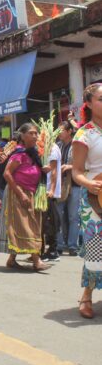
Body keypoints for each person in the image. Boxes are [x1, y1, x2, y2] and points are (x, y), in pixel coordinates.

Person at [0, 123, 50, 271]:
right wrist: (20, 194)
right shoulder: (18, 153)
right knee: (28, 226)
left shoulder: (33, 153)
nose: (34, 136)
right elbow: (7, 174)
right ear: (22, 136)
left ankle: (12, 260)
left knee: (27, 226)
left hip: (31, 193)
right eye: (31, 133)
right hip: (18, 192)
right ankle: (36, 260)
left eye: (36, 133)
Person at [71, 83, 102, 319]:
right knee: (96, 251)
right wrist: (88, 183)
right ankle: (87, 295)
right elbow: (77, 171)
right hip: (95, 199)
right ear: (89, 104)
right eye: (101, 99)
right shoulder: (84, 134)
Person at [56, 120, 80, 256]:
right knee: (59, 215)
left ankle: (72, 246)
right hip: (60, 184)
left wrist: (70, 167)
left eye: (62, 130)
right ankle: (59, 245)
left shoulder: (77, 145)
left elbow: (85, 164)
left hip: (75, 184)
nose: (59, 133)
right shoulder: (57, 146)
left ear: (69, 131)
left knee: (73, 217)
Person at [41, 142, 61, 261]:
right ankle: (45, 250)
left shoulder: (52, 148)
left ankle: (52, 250)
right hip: (42, 189)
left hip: (48, 191)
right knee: (45, 221)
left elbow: (53, 170)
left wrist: (52, 189)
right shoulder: (42, 146)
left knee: (48, 221)